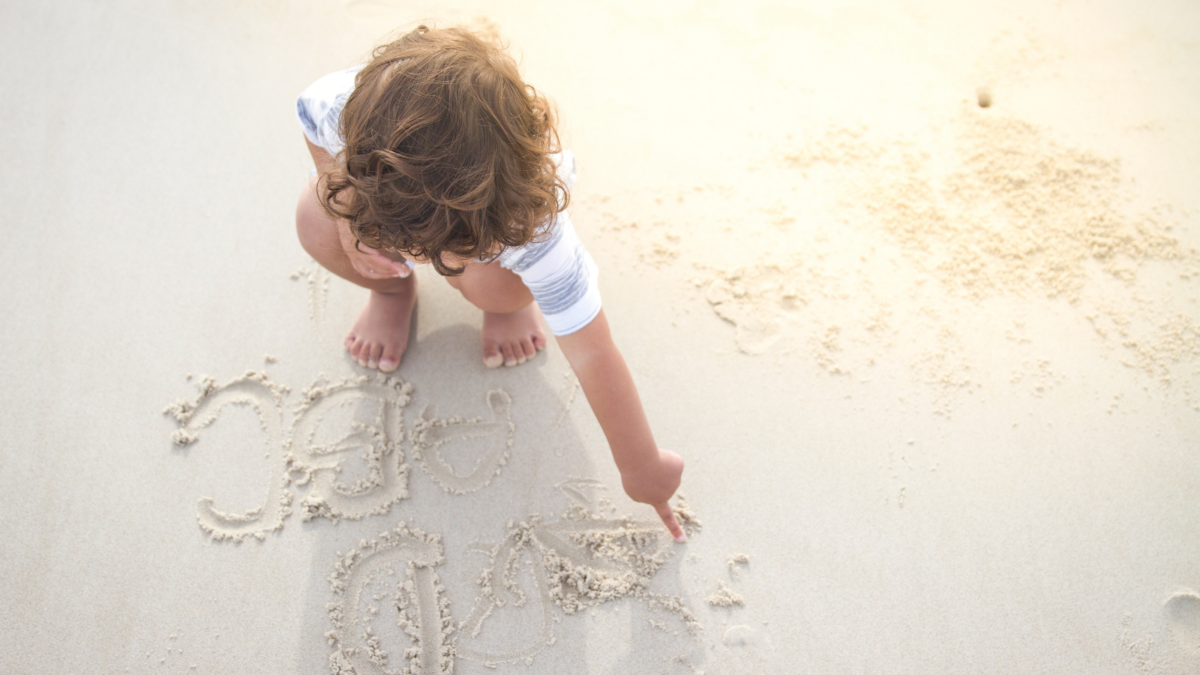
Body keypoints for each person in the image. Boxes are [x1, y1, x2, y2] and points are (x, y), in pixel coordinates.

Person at [293, 25, 685, 540]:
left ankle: (505, 306)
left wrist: (641, 465)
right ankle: (391, 291)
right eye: (414, 249)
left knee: (496, 286)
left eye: (441, 254)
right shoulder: (347, 110)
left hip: (492, 231)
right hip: (383, 177)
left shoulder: (532, 228)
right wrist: (349, 225)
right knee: (313, 219)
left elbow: (594, 352)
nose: (431, 262)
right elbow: (311, 119)